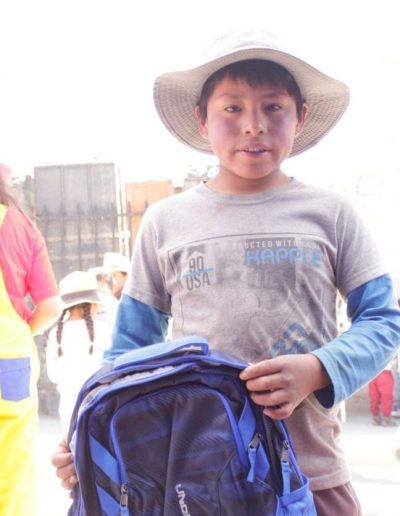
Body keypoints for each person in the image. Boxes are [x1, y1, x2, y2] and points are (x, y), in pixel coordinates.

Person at [51, 30, 400, 515]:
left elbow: (383, 321)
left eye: (273, 107)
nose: (253, 125)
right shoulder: (166, 221)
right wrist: (91, 436)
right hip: (195, 487)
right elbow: (130, 353)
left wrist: (317, 369)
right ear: (203, 119)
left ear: (300, 115)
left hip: (312, 474)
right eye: (232, 108)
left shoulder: (332, 213)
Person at [0, 162, 62, 516]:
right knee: (13, 470)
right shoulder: (19, 225)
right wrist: (24, 331)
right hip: (10, 358)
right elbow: (51, 306)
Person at [46, 270, 111, 433]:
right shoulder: (102, 330)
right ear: (92, 304)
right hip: (99, 401)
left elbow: (53, 375)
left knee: (73, 447)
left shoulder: (56, 334)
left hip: (67, 405)